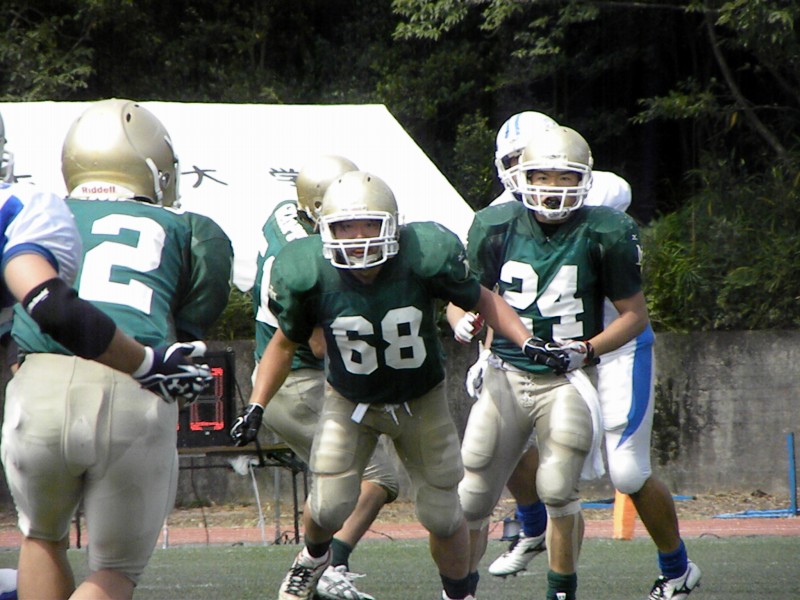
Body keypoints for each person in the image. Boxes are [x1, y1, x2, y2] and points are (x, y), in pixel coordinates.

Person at [231, 170, 556, 600]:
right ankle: (311, 559)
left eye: (368, 224)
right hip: (349, 401)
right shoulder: (306, 269)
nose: (358, 238)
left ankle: (459, 594)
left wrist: (526, 340)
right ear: (325, 228)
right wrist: (256, 405)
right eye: (346, 227)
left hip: (420, 400)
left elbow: (482, 298)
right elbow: (284, 342)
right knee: (328, 505)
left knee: (443, 515)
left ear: (393, 225)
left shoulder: (425, 254)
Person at [459, 113, 701, 599]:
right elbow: (500, 299)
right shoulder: (499, 218)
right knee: (502, 446)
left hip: (613, 344)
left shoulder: (599, 199)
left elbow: (612, 193)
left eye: (558, 172)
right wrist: (486, 351)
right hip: (541, 353)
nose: (544, 183)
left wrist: (561, 188)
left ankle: (677, 568)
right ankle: (531, 528)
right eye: (517, 162)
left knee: (628, 470)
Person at [3, 99, 232, 600]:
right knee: (114, 569)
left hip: (35, 386)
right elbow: (192, 318)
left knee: (41, 539)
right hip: (133, 380)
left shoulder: (36, 211)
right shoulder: (189, 228)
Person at [247, 155, 399, 600]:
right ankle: (327, 564)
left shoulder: (284, 216)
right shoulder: (310, 258)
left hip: (286, 381)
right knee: (377, 478)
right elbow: (319, 343)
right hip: (298, 381)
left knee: (339, 482)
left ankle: (320, 565)